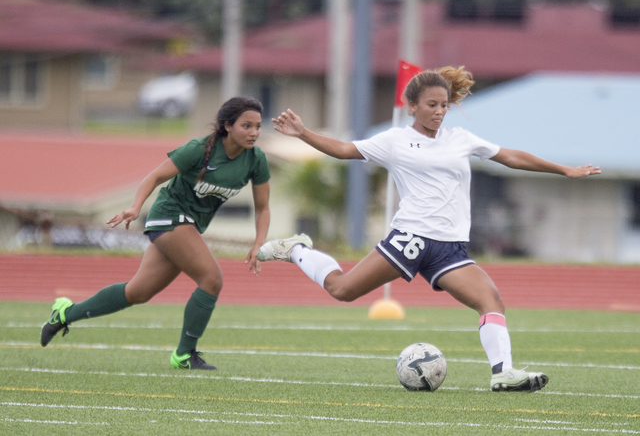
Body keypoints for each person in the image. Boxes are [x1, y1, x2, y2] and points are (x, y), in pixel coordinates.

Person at [257, 66, 600, 391]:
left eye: (444, 105)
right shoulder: (394, 140)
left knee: (490, 300)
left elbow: (509, 156)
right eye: (432, 105)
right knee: (343, 290)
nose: (439, 112)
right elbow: (345, 149)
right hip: (412, 238)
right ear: (412, 107)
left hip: (450, 248)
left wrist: (564, 170)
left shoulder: (460, 138)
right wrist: (302, 133)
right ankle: (296, 250)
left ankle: (503, 373)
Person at [40, 97, 271, 370]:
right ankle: (185, 355)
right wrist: (135, 207)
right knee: (211, 279)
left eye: (257, 126)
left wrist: (258, 244)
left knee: (137, 293)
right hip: (169, 215)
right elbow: (154, 177)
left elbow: (262, 208)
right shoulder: (200, 149)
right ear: (227, 126)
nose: (254, 132)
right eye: (247, 125)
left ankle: (65, 313)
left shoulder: (256, 160)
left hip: (189, 225)